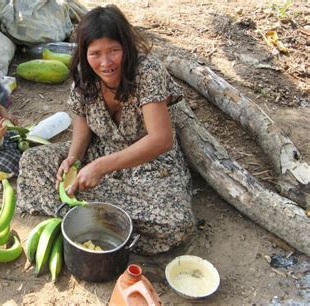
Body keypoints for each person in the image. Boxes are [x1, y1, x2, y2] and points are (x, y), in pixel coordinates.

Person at [17, 5, 195, 255]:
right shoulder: (85, 74)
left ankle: (83, 216)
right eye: (95, 53)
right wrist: (74, 159)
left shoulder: (147, 71)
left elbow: (161, 139)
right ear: (84, 53)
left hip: (150, 165)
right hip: (99, 151)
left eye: (114, 50)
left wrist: (101, 167)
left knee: (177, 223)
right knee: (33, 162)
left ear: (126, 47)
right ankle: (107, 220)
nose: (105, 62)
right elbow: (81, 119)